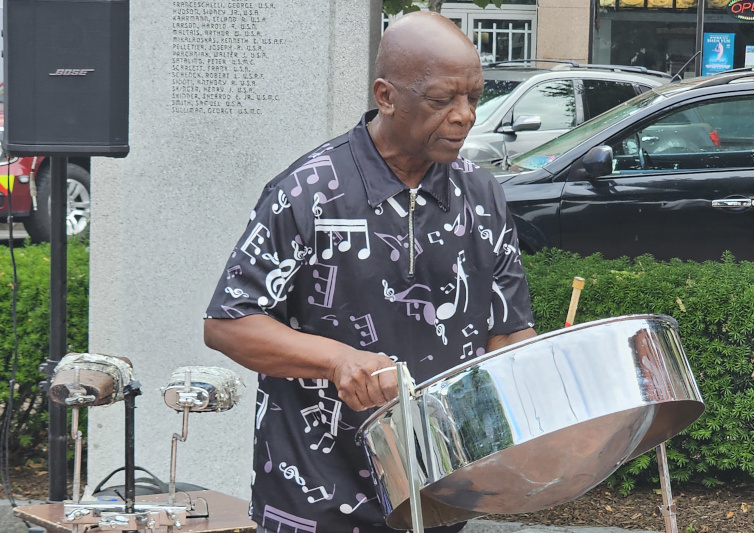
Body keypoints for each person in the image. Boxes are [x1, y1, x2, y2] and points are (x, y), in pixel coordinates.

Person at [203, 11, 536, 533]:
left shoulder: (483, 194)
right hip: (315, 492)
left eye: (474, 96)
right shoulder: (308, 191)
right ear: (386, 96)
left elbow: (508, 331)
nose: (465, 115)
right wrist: (338, 360)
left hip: (437, 493)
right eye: (442, 99)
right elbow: (228, 322)